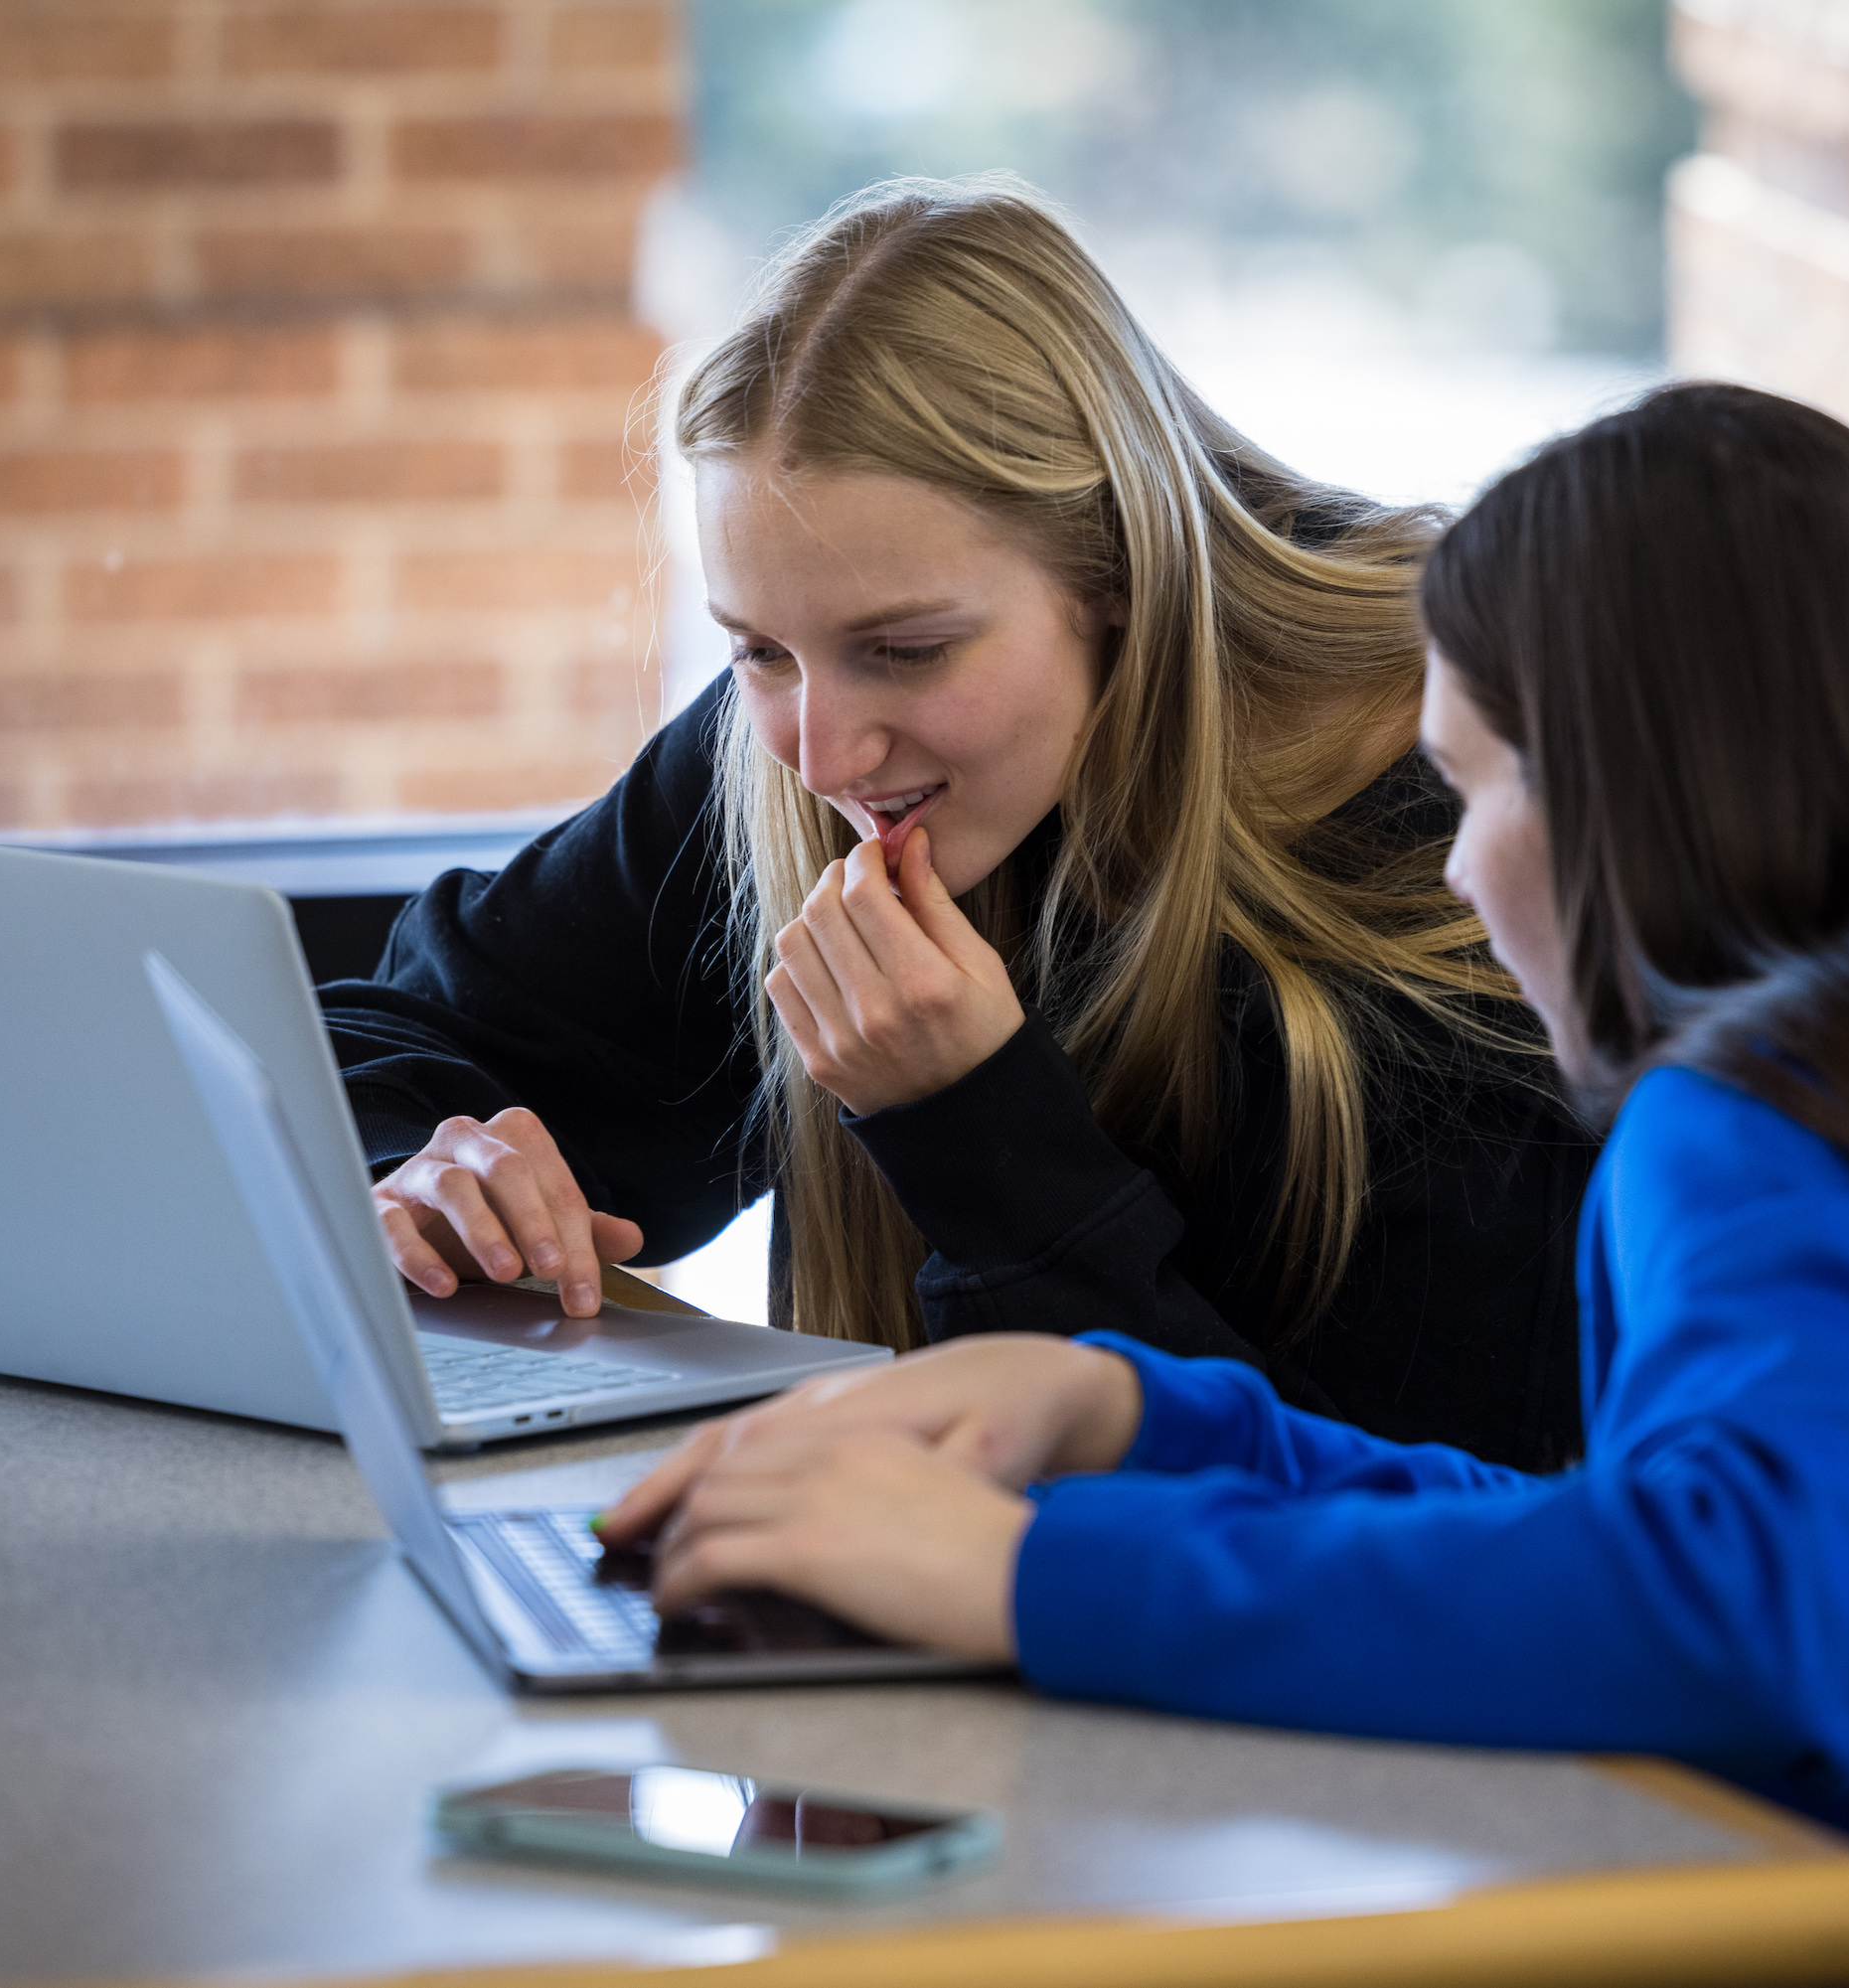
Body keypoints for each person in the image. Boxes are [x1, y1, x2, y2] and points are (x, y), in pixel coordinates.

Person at [600, 384, 1849, 1981]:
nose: (1463, 873)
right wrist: (1147, 1418)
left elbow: (1740, 1622)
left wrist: (1022, 1578)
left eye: (1476, 785)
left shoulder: (1799, 1103)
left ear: (1626, 783)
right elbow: (1696, 1536)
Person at [322, 176, 1595, 1470]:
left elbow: (1394, 1553)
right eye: (758, 649)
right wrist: (423, 1171)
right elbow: (403, 1033)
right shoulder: (813, 728)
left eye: (908, 650)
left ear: (1117, 574)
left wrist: (974, 1126)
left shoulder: (1458, 842)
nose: (823, 753)